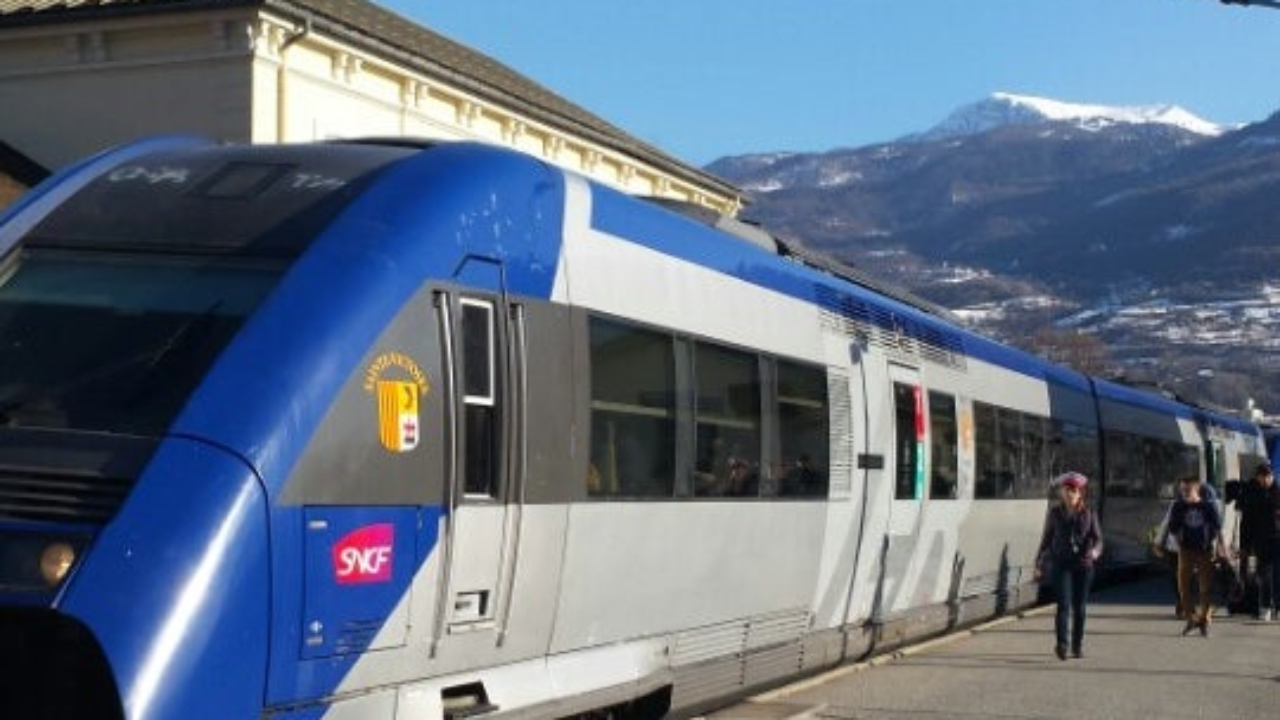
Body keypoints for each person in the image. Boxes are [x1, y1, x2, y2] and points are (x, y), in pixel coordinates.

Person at [1035, 471, 1104, 660]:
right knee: (1063, 606)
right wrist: (1040, 561)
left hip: (1083, 565)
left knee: (1079, 608)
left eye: (1073, 491)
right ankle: (1062, 645)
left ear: (1080, 493)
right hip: (1061, 564)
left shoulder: (1089, 513)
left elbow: (1098, 539)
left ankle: (1077, 645)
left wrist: (1095, 552)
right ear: (1062, 493)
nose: (1069, 494)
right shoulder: (1055, 513)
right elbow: (1047, 538)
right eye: (1066, 490)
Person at [1158, 475, 1227, 636]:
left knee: (1205, 588)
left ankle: (1204, 620)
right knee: (1183, 587)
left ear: (1197, 489)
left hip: (1205, 550)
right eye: (1182, 489)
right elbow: (1173, 528)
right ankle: (1191, 619)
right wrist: (1179, 543)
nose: (1184, 492)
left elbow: (1217, 528)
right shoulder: (1178, 506)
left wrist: (1222, 548)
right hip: (1186, 550)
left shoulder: (1208, 506)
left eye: (1187, 489)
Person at [1236, 461, 1280, 621]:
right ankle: (1266, 606)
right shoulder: (1252, 494)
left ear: (1272, 476)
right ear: (1257, 477)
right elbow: (1246, 523)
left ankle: (1278, 607)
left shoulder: (1278, 492)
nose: (1265, 481)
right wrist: (1244, 546)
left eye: (1267, 477)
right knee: (1265, 575)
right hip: (1262, 540)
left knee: (1278, 574)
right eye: (1262, 478)